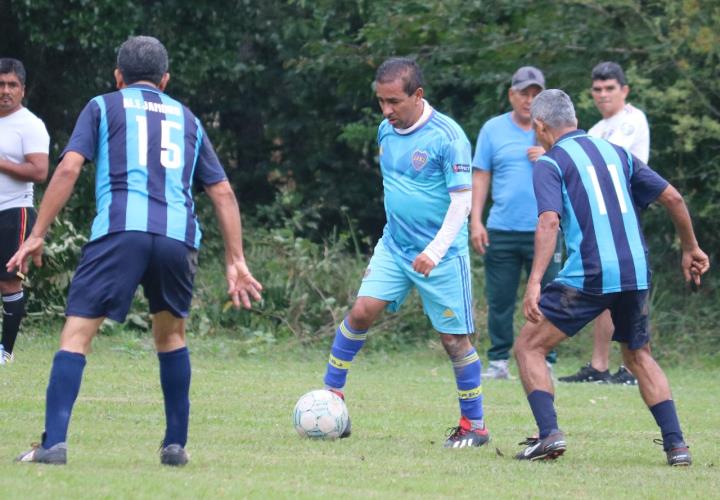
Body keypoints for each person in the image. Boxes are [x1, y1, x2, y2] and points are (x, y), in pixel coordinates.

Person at [10, 36, 262, 466]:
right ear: (164, 80)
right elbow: (221, 190)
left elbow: (69, 166)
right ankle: (175, 445)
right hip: (176, 239)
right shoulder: (189, 119)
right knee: (171, 336)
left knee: (76, 334)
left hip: (119, 231)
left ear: (117, 76)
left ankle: (53, 445)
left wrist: (38, 232)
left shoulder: (103, 106)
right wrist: (235, 260)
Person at [513, 89, 708, 466]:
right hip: (635, 269)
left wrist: (535, 280)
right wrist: (690, 248)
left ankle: (549, 435)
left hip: (590, 271)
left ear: (541, 126)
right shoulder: (616, 153)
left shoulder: (550, 163)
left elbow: (549, 221)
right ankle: (677, 446)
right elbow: (674, 198)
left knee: (529, 346)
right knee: (637, 354)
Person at [321, 57, 488, 448]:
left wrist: (433, 250)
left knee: (454, 341)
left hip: (442, 257)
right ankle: (332, 402)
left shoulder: (449, 137)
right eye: (381, 101)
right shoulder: (386, 130)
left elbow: (462, 204)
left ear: (418, 95)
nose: (386, 111)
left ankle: (474, 427)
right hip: (395, 247)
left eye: (394, 101)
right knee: (361, 310)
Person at [559, 61, 650, 386]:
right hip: (598, 216)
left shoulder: (632, 120)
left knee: (626, 286)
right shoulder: (596, 129)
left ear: (624, 90)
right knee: (602, 286)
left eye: (610, 88)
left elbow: (604, 164)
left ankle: (632, 365)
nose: (603, 94)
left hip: (625, 212)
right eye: (597, 89)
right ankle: (599, 366)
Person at [470, 66, 561, 379]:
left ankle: (546, 358)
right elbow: (481, 175)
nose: (530, 99)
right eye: (524, 93)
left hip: (545, 229)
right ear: (512, 94)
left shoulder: (554, 129)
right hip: (502, 228)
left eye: (536, 94)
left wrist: (549, 153)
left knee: (548, 297)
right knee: (500, 300)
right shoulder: (492, 130)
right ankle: (498, 362)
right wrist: (476, 221)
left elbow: (572, 172)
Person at [0, 58, 49, 365]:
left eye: (12, 85)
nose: (5, 91)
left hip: (13, 211)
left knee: (8, 282)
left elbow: (40, 171)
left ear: (22, 89)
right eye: (1, 84)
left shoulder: (30, 125)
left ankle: (5, 351)